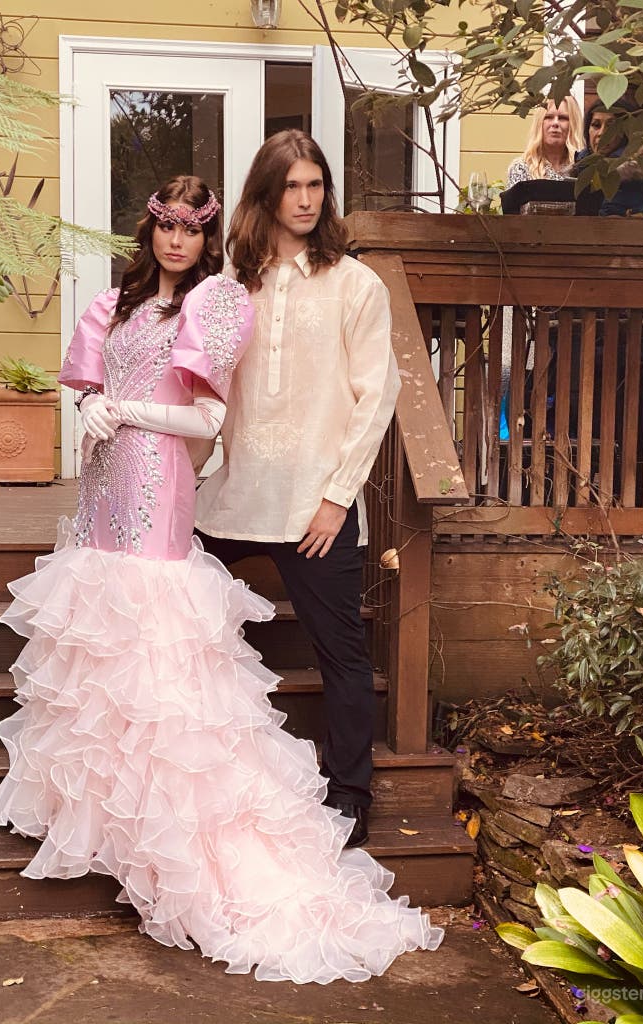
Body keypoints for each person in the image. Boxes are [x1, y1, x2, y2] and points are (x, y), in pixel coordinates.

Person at [0, 173, 443, 983]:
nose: (176, 241)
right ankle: (111, 822)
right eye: (165, 226)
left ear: (207, 236)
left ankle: (252, 823)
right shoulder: (123, 304)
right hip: (105, 503)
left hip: (179, 493)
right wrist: (91, 408)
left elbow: (204, 420)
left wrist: (126, 411)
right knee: (110, 662)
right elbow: (95, 385)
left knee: (180, 669)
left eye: (192, 229)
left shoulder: (221, 303)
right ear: (148, 230)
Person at [194, 130, 401, 852]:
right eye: (293, 187)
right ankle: (192, 773)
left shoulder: (355, 284)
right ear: (267, 195)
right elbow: (201, 385)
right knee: (171, 614)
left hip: (316, 506)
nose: (307, 200)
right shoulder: (230, 287)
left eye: (317, 186)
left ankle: (350, 793)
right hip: (235, 496)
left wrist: (338, 496)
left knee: (342, 655)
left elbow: (377, 396)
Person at [574, 99, 643, 217]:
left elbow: (610, 224)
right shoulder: (582, 162)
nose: (601, 133)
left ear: (626, 132)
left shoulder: (635, 169)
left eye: (611, 127)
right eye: (596, 125)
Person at [507, 97, 583, 186]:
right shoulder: (521, 168)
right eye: (549, 117)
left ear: (573, 124)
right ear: (539, 123)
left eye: (562, 118)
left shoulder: (582, 168)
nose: (555, 123)